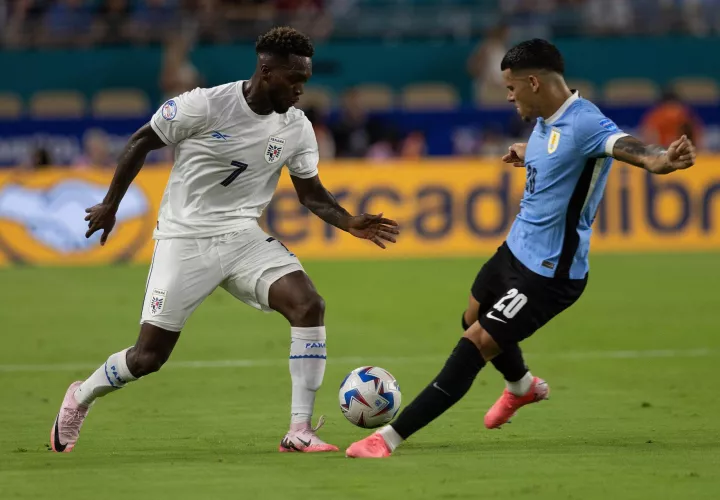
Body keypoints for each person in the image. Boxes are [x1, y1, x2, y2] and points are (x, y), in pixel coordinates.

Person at [50, 27, 399, 454]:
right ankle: (79, 397)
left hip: (241, 237)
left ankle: (299, 430)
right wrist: (110, 204)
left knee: (309, 305)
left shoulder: (296, 127)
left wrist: (348, 222)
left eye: (304, 80)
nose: (301, 90)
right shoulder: (205, 104)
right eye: (294, 80)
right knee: (148, 358)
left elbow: (310, 194)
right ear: (266, 71)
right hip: (184, 239)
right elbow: (141, 141)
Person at [346, 38, 696, 458]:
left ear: (534, 82)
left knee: (476, 342)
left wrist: (664, 158)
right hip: (516, 249)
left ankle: (387, 439)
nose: (508, 96)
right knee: (470, 315)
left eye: (511, 88)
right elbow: (556, 151)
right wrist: (526, 151)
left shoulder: (585, 122)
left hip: (549, 273)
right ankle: (522, 387)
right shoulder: (547, 118)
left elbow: (631, 150)